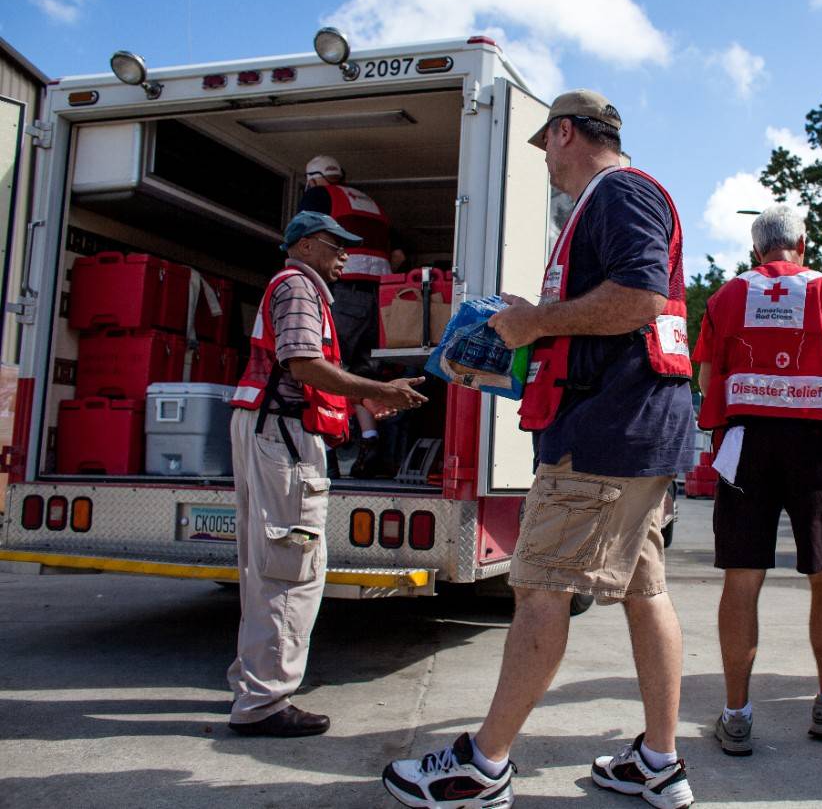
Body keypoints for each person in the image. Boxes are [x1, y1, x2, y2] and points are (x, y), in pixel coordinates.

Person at [381, 90, 696, 809]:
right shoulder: (614, 198)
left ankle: (482, 767)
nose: (546, 166)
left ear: (564, 133)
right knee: (645, 591)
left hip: (604, 436)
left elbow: (641, 298)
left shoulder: (618, 192)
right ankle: (658, 759)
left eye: (546, 148)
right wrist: (523, 336)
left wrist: (534, 323)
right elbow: (623, 310)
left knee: (539, 588)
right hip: (631, 430)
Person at [692, 204, 822, 758]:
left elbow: (708, 376)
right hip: (817, 447)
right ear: (802, 244)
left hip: (745, 445)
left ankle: (736, 716)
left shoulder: (725, 297)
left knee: (742, 578)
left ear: (755, 249)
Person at [226, 211, 427, 738]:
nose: (346, 256)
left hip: (268, 429)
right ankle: (266, 703)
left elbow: (302, 371)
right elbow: (303, 365)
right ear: (310, 245)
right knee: (291, 568)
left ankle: (254, 688)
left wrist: (356, 397)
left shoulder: (289, 286)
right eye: (337, 246)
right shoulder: (298, 288)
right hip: (283, 436)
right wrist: (376, 391)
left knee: (266, 566)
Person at [299, 155, 399, 478]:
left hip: (345, 294)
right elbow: (397, 253)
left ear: (315, 178)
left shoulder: (319, 196)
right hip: (379, 301)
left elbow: (304, 238)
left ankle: (326, 451)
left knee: (325, 369)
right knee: (362, 373)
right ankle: (371, 444)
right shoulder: (372, 204)